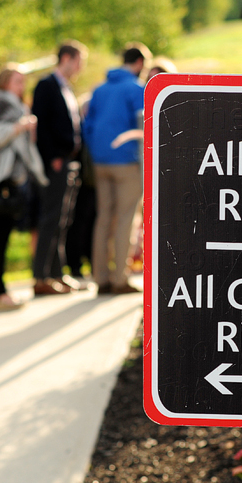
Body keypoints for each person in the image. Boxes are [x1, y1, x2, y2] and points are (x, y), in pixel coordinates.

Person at [82, 43, 150, 295]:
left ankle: (100, 278)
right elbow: (144, 124)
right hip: (126, 161)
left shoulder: (99, 90)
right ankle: (120, 279)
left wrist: (98, 151)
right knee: (125, 219)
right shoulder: (135, 88)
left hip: (101, 161)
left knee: (103, 219)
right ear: (140, 63)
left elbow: (87, 125)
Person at [0, 65, 49, 311]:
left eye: (23, 81)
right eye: (16, 81)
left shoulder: (15, 104)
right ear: (3, 83)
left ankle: (0, 291)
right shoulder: (2, 104)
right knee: (0, 237)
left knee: (3, 236)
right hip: (3, 177)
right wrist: (22, 125)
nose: (21, 86)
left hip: (12, 176)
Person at [30, 40, 89, 296]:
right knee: (50, 218)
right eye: (79, 61)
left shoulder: (65, 87)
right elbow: (40, 123)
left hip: (70, 161)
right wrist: (52, 156)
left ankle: (56, 273)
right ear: (66, 58)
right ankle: (40, 276)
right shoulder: (47, 85)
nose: (80, 67)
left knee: (62, 220)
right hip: (55, 162)